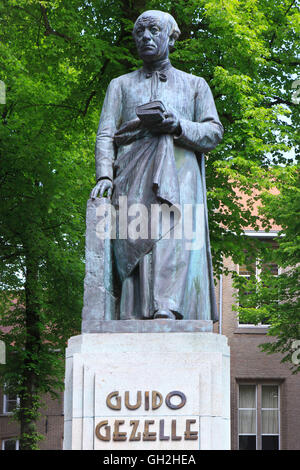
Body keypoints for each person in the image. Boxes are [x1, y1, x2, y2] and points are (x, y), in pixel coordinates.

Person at [91, 10, 223, 321]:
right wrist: (105, 174)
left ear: (170, 37)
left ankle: (170, 306)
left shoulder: (195, 85)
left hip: (180, 172)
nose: (146, 37)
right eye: (139, 33)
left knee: (173, 237)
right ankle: (133, 310)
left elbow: (213, 131)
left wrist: (178, 126)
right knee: (134, 235)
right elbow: (106, 133)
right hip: (132, 170)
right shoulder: (120, 85)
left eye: (153, 31)